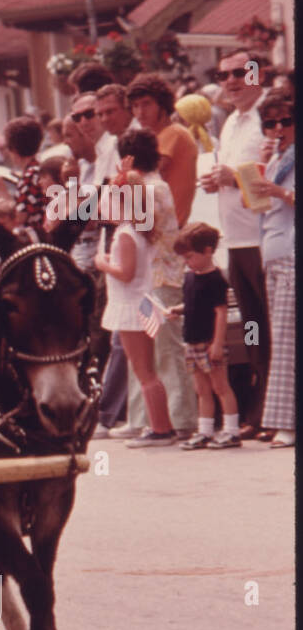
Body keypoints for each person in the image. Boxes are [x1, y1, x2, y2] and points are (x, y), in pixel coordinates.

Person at [199, 49, 269, 437]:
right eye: (222, 74)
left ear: (259, 73)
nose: (230, 81)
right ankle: (259, 408)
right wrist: (217, 178)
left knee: (272, 325)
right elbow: (232, 174)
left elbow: (273, 175)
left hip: (264, 239)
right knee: (254, 327)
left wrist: (232, 176)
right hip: (238, 241)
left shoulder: (268, 118)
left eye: (240, 72)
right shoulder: (229, 124)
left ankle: (273, 410)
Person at [95, 137, 175, 447]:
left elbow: (125, 273)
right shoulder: (137, 229)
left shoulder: (127, 234)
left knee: (144, 371)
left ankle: (160, 429)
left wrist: (103, 264)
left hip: (133, 305)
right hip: (143, 302)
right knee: (148, 370)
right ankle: (161, 425)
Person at [247, 88, 295, 447]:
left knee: (286, 340)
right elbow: (259, 207)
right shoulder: (279, 157)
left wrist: (278, 192)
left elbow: (282, 199)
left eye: (285, 121)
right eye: (270, 123)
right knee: (274, 336)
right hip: (272, 250)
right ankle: (279, 419)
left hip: (292, 251)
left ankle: (286, 423)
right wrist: (259, 173)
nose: (278, 129)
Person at [165, 223, 240, 449]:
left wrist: (217, 343)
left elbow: (220, 312)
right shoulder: (190, 278)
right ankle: (205, 430)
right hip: (192, 341)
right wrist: (178, 310)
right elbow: (193, 304)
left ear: (208, 251)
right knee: (202, 389)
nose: (187, 262)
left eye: (190, 256)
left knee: (221, 387)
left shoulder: (216, 279)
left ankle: (231, 430)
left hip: (209, 342)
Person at [127, 73, 199, 226]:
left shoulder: (173, 133)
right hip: (159, 227)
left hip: (167, 230)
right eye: (135, 106)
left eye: (147, 103)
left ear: (163, 104)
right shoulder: (157, 137)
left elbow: (143, 175)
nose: (140, 112)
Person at [6, 116, 45, 235]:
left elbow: (19, 217)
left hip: (36, 239)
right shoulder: (39, 170)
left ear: (14, 149)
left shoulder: (30, 176)